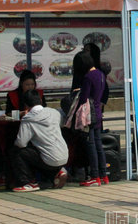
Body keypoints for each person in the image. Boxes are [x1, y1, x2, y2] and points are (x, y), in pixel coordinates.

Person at [10, 90, 68, 192]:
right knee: (41, 151)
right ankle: (57, 173)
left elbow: (21, 143)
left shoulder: (28, 118)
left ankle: (26, 183)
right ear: (40, 100)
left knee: (18, 151)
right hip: (64, 155)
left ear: (26, 105)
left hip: (49, 159)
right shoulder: (54, 112)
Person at [74, 51, 108, 187]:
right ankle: (104, 175)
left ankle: (94, 176)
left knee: (91, 145)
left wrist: (79, 92)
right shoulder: (100, 74)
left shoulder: (88, 77)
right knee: (99, 145)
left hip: (89, 115)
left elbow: (84, 98)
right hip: (98, 112)